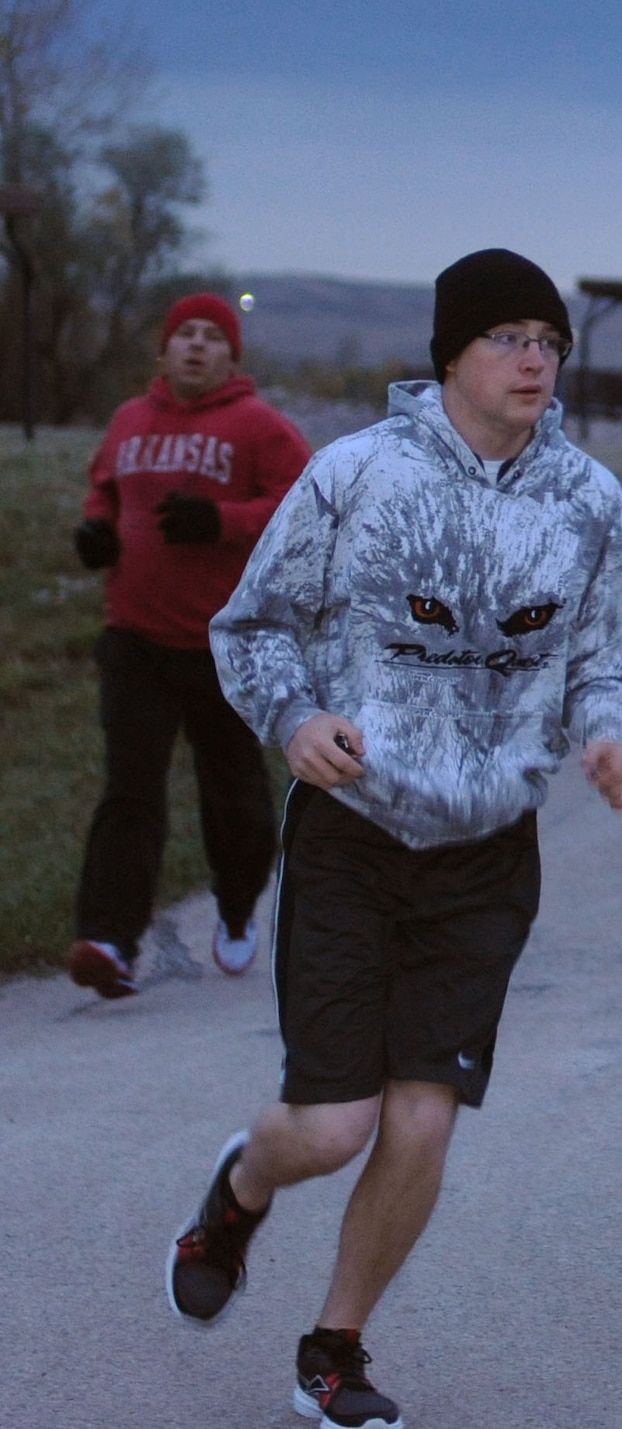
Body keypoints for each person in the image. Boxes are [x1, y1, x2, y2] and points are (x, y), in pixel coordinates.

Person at [167, 249, 622, 1429]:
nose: (535, 361)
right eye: (508, 338)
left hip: (486, 850)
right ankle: (241, 1186)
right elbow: (254, 625)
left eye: (550, 341)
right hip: (354, 828)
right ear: (450, 354)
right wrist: (295, 719)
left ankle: (333, 1348)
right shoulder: (356, 474)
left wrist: (611, 731)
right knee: (330, 1127)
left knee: (423, 1116)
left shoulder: (589, 501)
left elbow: (614, 652)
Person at [65, 295, 310, 998]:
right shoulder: (128, 420)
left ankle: (235, 906)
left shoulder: (258, 425)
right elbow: (104, 493)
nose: (197, 345)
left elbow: (305, 505)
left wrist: (223, 521)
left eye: (212, 336)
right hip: (133, 636)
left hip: (224, 642)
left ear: (232, 356)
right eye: (185, 335)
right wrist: (97, 531)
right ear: (164, 350)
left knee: (233, 790)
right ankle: (109, 940)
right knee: (130, 787)